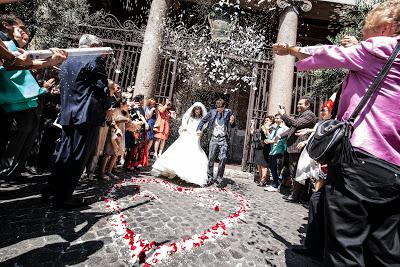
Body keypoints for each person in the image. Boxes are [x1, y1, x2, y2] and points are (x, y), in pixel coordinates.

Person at [273, 1, 400, 266]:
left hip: (360, 162)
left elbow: (327, 53)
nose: (366, 37)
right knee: (384, 253)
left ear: (386, 27)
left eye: (370, 30)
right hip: (394, 173)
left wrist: (291, 49)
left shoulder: (378, 49)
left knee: (345, 248)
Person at [43, 34, 113, 209]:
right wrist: (108, 107)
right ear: (93, 46)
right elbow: (102, 88)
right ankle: (64, 197)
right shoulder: (94, 60)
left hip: (69, 113)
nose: (103, 51)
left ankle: (51, 191)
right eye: (100, 46)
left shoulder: (67, 61)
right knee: (78, 156)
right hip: (86, 115)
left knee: (64, 154)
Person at [0, 14, 67, 178]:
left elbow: (16, 64)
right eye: (21, 28)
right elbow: (14, 64)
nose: (25, 32)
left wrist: (49, 62)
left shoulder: (9, 45)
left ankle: (13, 171)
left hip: (19, 102)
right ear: (6, 25)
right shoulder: (6, 44)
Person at [152, 102, 208, 186]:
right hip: (188, 134)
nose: (197, 111)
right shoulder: (190, 117)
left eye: (199, 110)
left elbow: (203, 126)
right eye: (196, 110)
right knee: (180, 151)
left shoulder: (202, 119)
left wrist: (200, 132)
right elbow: (185, 122)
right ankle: (173, 171)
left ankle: (188, 174)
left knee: (193, 152)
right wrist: (185, 128)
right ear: (194, 110)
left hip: (195, 136)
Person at [274, 97, 317, 203]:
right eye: (298, 103)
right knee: (294, 171)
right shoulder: (302, 115)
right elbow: (292, 128)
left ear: (307, 105)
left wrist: (284, 114)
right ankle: (295, 194)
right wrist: (280, 136)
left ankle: (297, 196)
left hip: (299, 147)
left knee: (298, 171)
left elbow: (295, 124)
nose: (298, 105)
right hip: (293, 147)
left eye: (300, 104)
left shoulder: (309, 115)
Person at [196, 98, 235, 187]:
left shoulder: (228, 112)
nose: (219, 109)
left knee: (223, 158)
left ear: (224, 107)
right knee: (211, 158)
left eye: (221, 107)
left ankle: (219, 178)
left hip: (223, 138)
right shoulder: (212, 112)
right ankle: (210, 177)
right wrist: (199, 129)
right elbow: (203, 120)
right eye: (217, 107)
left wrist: (232, 122)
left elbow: (233, 125)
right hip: (214, 137)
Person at [264, 114, 289, 192]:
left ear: (282, 119)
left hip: (279, 151)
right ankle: (274, 183)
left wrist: (271, 141)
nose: (276, 120)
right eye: (275, 118)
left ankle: (276, 185)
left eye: (278, 118)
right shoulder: (275, 128)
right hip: (272, 150)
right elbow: (270, 137)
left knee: (277, 168)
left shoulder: (285, 129)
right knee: (272, 168)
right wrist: (267, 131)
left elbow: (283, 139)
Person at [125, 94, 148, 170]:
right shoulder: (136, 108)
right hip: (136, 129)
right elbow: (140, 116)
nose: (143, 101)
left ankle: (135, 164)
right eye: (142, 100)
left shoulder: (139, 108)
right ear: (140, 100)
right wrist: (145, 123)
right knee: (134, 147)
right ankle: (130, 164)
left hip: (140, 129)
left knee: (138, 147)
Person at [250, 115, 274, 186]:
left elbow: (269, 136)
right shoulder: (261, 128)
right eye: (265, 120)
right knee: (259, 164)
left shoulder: (272, 128)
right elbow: (253, 132)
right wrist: (253, 124)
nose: (266, 121)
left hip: (265, 148)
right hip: (259, 147)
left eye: (268, 120)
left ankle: (263, 180)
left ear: (271, 122)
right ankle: (261, 178)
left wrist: (266, 129)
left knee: (263, 164)